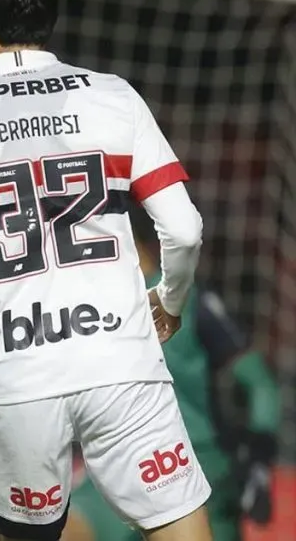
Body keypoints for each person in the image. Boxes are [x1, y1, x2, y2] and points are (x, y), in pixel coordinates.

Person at [0, 0, 214, 541]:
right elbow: (184, 228)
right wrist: (169, 300)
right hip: (119, 358)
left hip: (16, 374)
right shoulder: (112, 96)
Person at [62, 209, 281, 541]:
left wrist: (257, 463)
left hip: (195, 470)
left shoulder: (185, 302)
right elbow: (261, 385)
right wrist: (259, 466)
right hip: (126, 466)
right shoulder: (93, 309)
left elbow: (260, 385)